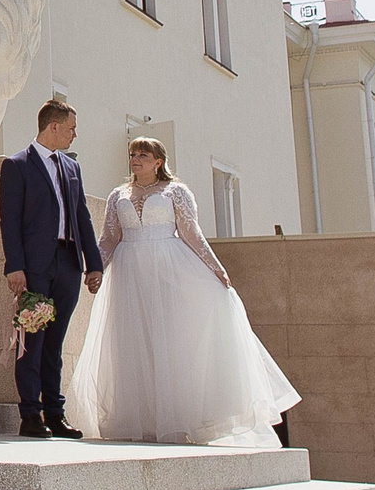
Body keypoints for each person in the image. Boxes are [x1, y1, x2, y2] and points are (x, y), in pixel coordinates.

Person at [65, 136, 301, 446]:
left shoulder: (176, 192)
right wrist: (96, 268)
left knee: (169, 343)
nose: (135, 159)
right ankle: (143, 422)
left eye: (143, 155)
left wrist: (216, 268)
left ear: (158, 161)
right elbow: (110, 236)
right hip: (128, 276)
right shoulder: (117, 195)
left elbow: (192, 233)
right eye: (133, 154)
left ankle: (178, 420)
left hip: (168, 271)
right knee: (132, 344)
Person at [0, 100, 103, 437]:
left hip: (68, 265)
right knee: (32, 340)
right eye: (71, 128)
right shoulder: (17, 165)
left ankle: (55, 414)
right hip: (34, 268)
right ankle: (31, 415)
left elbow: (83, 217)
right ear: (53, 127)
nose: (75, 134)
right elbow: (9, 221)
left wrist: (93, 265)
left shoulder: (72, 168)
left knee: (55, 343)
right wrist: (15, 267)